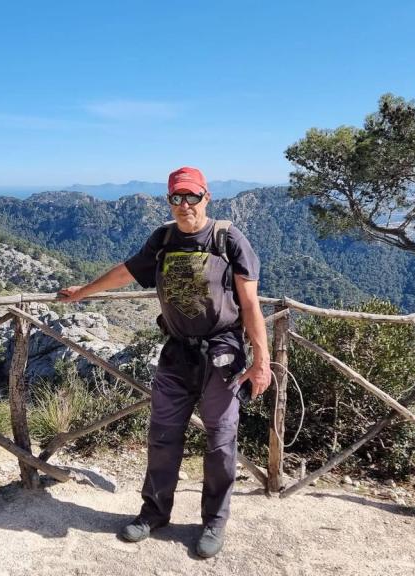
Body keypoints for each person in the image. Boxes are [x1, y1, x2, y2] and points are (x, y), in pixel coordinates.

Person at [57, 166, 271, 558]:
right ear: (169, 201)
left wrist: (262, 361)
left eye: (192, 197)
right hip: (175, 353)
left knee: (221, 441)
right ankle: (154, 513)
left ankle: (213, 522)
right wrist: (84, 292)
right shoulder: (164, 238)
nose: (185, 205)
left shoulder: (228, 239)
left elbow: (251, 303)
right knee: (162, 436)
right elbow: (126, 272)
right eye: (177, 198)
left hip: (222, 354)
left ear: (206, 197)